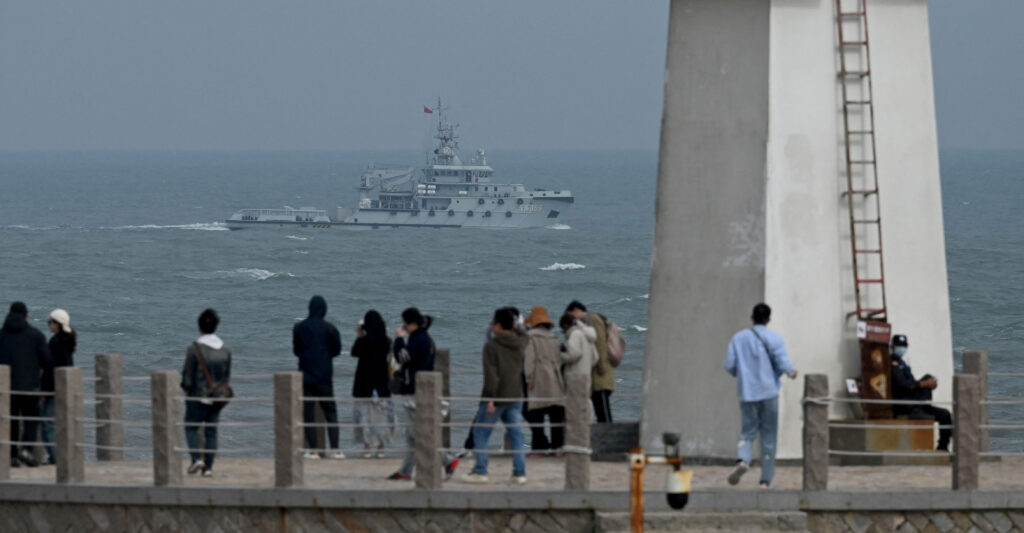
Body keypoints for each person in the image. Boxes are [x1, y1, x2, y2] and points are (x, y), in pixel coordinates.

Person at [723, 303, 797, 489]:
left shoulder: (738, 338)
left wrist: (742, 375)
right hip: (769, 391)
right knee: (769, 436)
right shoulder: (775, 338)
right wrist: (791, 372)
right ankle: (765, 479)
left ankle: (743, 460)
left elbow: (729, 365)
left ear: (751, 316)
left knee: (747, 432)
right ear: (769, 319)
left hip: (747, 393)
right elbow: (783, 362)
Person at [388, 307, 458, 480]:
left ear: (412, 323)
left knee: (418, 433)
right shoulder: (422, 337)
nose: (404, 326)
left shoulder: (419, 339)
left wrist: (398, 339)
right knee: (413, 434)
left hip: (415, 391)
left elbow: (402, 357)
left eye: (405, 323)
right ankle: (405, 471)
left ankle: (447, 460)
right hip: (418, 389)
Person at [462, 308, 529, 484]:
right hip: (516, 396)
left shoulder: (491, 346)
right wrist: (517, 326)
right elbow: (525, 335)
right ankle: (519, 473)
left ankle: (481, 470)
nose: (491, 326)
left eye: (493, 322)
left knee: (481, 433)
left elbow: (491, 376)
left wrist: (490, 399)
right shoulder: (520, 343)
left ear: (498, 325)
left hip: (497, 398)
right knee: (516, 435)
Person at [180, 309, 231, 477]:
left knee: (190, 427)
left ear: (199, 327)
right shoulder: (225, 350)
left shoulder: (194, 349)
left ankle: (196, 459)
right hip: (217, 398)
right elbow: (226, 376)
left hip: (198, 396)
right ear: (216, 327)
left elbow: (188, 375)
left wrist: (186, 391)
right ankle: (208, 468)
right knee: (211, 431)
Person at [293, 295, 345, 460]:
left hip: (306, 376)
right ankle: (335, 450)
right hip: (324, 377)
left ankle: (314, 451)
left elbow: (296, 350)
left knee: (308, 414)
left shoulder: (299, 327)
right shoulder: (330, 328)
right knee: (330, 412)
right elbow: (336, 350)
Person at [0, 302, 50, 468]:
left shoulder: (1, 336)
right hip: (30, 388)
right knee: (31, 420)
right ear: (26, 315)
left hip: (7, 389)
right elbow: (47, 362)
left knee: (11, 421)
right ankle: (26, 449)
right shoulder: (35, 335)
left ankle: (12, 455)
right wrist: (45, 386)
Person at [890, 334, 952, 451]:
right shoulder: (893, 364)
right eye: (899, 345)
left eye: (904, 345)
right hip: (903, 403)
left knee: (945, 415)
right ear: (893, 346)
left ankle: (943, 447)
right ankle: (922, 407)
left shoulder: (903, 364)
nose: (902, 348)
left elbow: (913, 383)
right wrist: (924, 384)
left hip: (914, 402)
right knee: (925, 382)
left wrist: (929, 384)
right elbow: (902, 385)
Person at [351, 310, 395, 458]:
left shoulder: (363, 341)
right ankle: (381, 448)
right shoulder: (387, 341)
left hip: (364, 385)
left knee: (365, 417)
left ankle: (367, 449)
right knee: (381, 417)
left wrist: (360, 335)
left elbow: (354, 352)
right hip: (382, 385)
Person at [523, 306, 565, 454]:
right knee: (556, 418)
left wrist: (529, 378)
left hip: (539, 381)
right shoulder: (554, 338)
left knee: (536, 417)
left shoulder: (531, 338)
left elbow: (530, 361)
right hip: (555, 381)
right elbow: (559, 360)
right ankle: (558, 449)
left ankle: (539, 450)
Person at [565, 301, 614, 422]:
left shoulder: (592, 320)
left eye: (571, 314)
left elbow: (600, 343)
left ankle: (608, 437)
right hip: (596, 373)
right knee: (600, 411)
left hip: (600, 374)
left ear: (576, 310)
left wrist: (601, 365)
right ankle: (604, 437)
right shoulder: (587, 322)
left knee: (603, 412)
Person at [41, 309, 76, 465]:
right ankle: (63, 455)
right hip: (66, 386)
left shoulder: (55, 342)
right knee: (61, 423)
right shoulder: (68, 340)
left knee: (47, 424)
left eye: (51, 322)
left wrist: (44, 391)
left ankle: (55, 458)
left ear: (58, 324)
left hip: (53, 388)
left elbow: (50, 368)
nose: (49, 325)